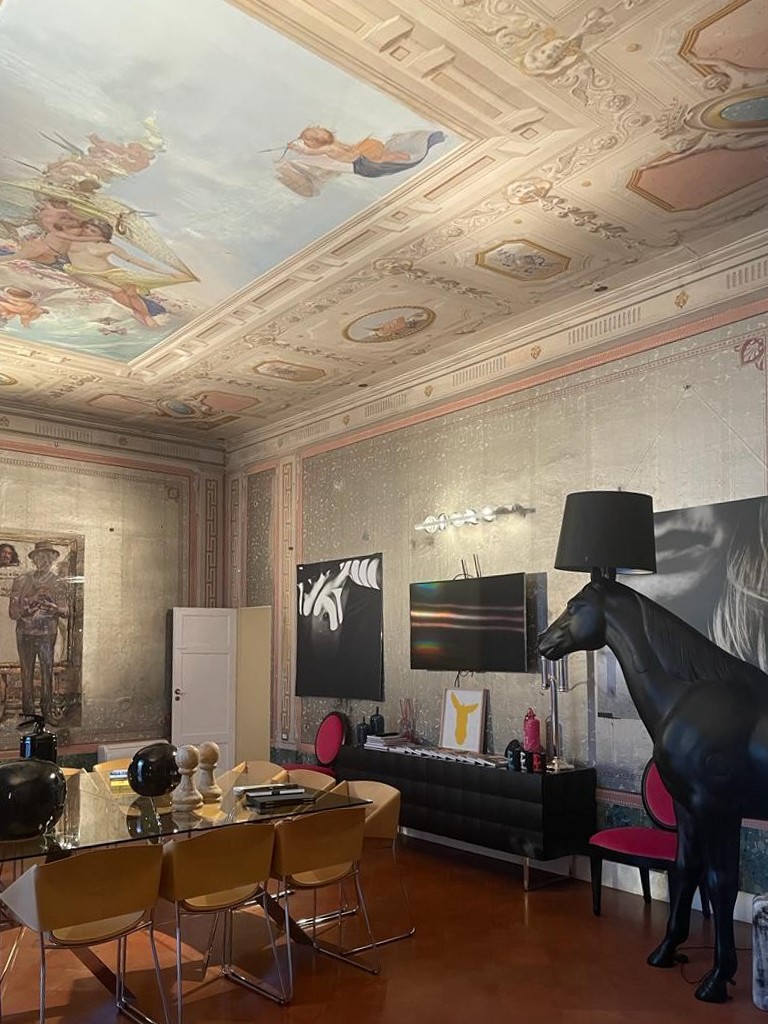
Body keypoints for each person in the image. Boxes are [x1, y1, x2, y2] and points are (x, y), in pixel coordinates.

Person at [8, 541, 69, 720]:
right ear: (34, 559)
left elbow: (66, 611)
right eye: (41, 557)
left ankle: (47, 711)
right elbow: (13, 613)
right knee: (26, 673)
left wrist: (55, 608)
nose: (45, 561)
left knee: (46, 672)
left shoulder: (58, 583)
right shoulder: (20, 581)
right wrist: (26, 609)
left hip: (46, 635)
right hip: (25, 634)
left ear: (53, 560)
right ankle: (28, 713)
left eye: (48, 557)